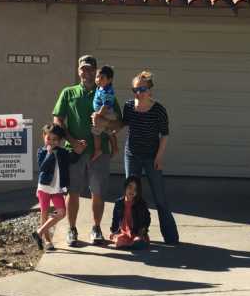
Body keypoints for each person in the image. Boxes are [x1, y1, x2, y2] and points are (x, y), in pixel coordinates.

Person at [53, 54, 122, 247]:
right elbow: (58, 119)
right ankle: (72, 229)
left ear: (96, 71)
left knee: (98, 193)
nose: (87, 72)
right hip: (74, 152)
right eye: (83, 68)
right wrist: (72, 141)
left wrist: (105, 122)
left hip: (99, 152)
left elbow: (119, 122)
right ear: (78, 70)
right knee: (73, 192)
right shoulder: (68, 93)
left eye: (90, 68)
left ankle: (96, 228)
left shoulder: (106, 93)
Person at [116, 70, 179, 244]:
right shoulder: (129, 106)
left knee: (160, 198)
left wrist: (159, 157)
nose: (138, 93)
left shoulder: (158, 110)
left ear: (150, 90)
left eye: (142, 89)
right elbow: (122, 124)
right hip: (132, 155)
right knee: (130, 197)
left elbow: (164, 135)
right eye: (135, 90)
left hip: (152, 157)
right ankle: (132, 233)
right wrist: (106, 127)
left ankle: (171, 237)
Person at [32, 124, 71, 251]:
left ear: (60, 141)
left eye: (55, 139)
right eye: (49, 138)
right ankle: (47, 241)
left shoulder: (63, 152)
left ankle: (39, 232)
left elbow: (72, 159)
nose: (51, 142)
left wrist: (80, 148)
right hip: (44, 187)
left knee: (61, 212)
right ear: (44, 137)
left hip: (57, 189)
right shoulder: (41, 152)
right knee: (44, 213)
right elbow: (43, 167)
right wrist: (49, 154)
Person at [109, 175, 151, 249]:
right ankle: (131, 245)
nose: (132, 191)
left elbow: (147, 218)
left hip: (136, 232)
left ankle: (135, 243)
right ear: (125, 188)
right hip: (124, 232)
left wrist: (143, 230)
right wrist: (114, 231)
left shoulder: (141, 204)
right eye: (130, 187)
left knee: (138, 240)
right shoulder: (118, 203)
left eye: (135, 189)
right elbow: (115, 219)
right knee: (119, 240)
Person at [91, 65, 119, 160]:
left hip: (106, 113)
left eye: (102, 77)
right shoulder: (100, 88)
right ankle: (115, 148)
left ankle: (98, 150)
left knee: (95, 132)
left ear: (109, 80)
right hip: (105, 113)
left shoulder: (107, 91)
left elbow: (106, 105)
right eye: (97, 77)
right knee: (109, 131)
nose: (98, 79)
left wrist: (98, 115)